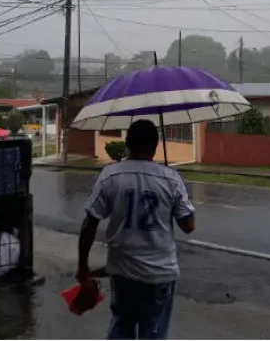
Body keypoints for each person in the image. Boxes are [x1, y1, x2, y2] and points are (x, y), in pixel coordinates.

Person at [76, 119, 196, 340]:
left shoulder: (110, 176)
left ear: (127, 144)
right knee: (154, 332)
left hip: (123, 272)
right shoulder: (171, 179)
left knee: (122, 326)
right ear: (156, 146)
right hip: (160, 274)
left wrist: (83, 267)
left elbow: (89, 223)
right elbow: (188, 225)